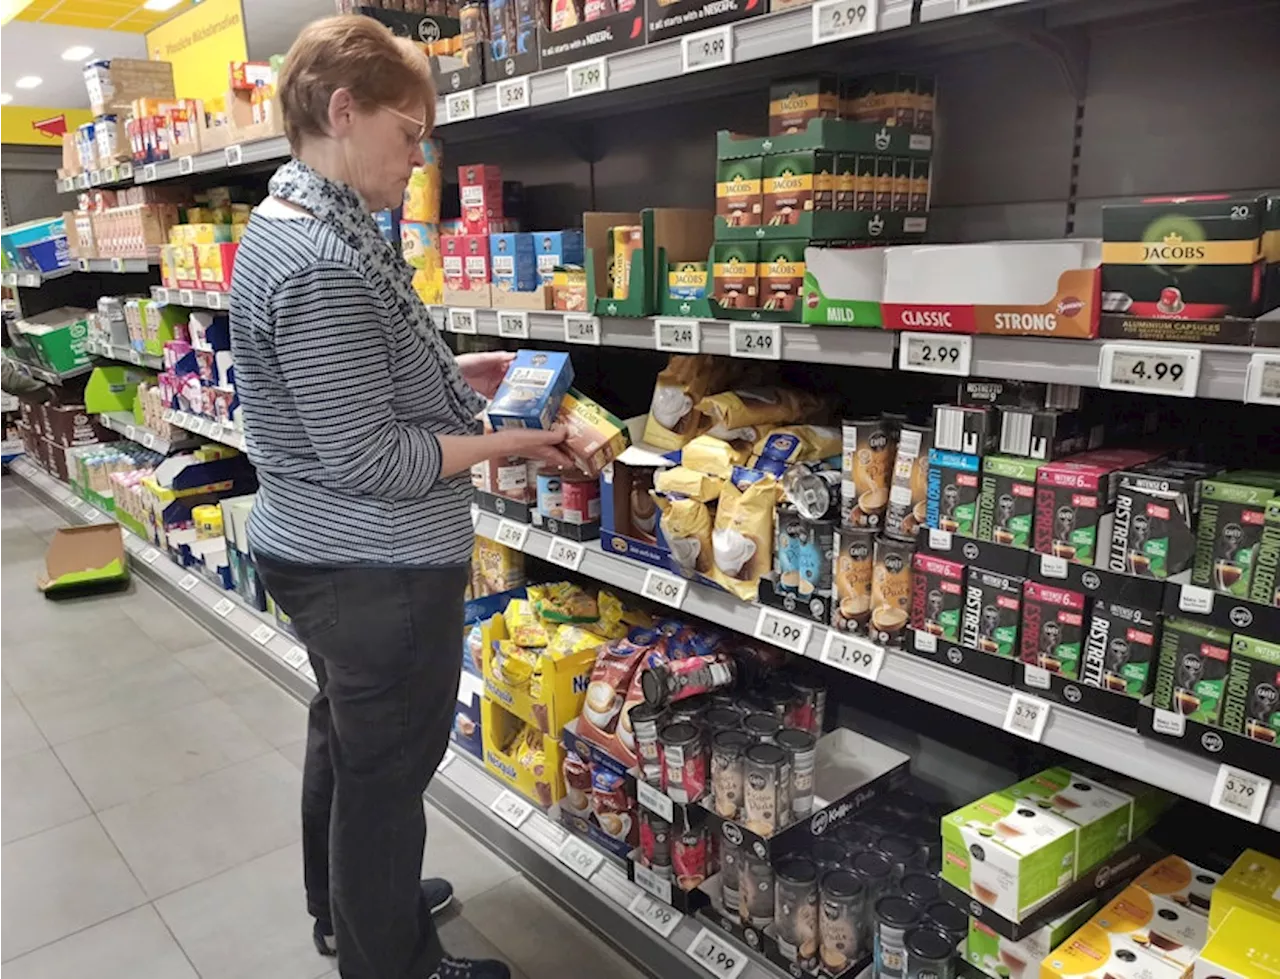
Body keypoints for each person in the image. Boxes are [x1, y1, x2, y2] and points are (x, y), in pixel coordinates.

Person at [228, 16, 571, 979]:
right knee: (385, 774)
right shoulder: (323, 261)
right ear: (343, 111)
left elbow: (344, 386)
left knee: (346, 741)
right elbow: (374, 456)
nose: (421, 157)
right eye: (410, 132)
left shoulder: (300, 222)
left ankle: (346, 905)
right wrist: (516, 438)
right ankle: (393, 960)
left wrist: (468, 365)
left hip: (324, 550)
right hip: (371, 565)